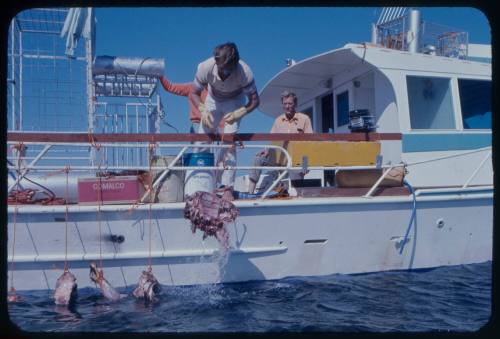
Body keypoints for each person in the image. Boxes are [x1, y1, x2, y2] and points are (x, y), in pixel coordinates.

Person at [190, 42, 260, 191]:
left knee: (228, 141)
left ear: (234, 65)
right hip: (213, 100)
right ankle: (198, 182)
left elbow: (255, 101)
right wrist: (202, 108)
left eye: (228, 69)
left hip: (235, 101)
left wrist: (240, 112)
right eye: (221, 68)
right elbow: (193, 93)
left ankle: (227, 186)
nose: (224, 72)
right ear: (216, 62)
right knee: (202, 139)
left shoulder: (244, 72)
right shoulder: (205, 67)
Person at [248, 90, 313, 194]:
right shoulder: (278, 120)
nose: (287, 106)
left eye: (290, 103)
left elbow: (309, 143)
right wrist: (266, 150)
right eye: (285, 104)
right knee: (258, 158)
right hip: (279, 157)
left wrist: (305, 164)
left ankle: (298, 195)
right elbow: (272, 139)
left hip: (296, 158)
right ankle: (250, 193)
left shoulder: (304, 119)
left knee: (296, 176)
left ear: (295, 104)